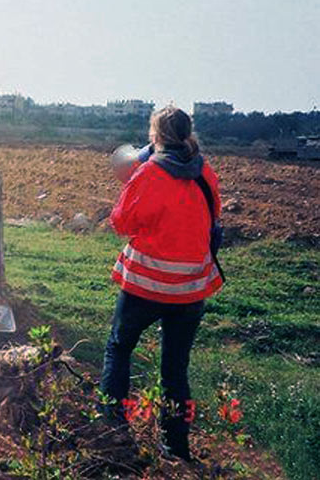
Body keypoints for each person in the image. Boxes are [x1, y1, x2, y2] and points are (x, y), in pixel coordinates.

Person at [100, 106, 223, 461]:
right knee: (174, 368)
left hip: (146, 285)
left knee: (119, 349)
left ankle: (112, 431)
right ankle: (176, 448)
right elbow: (213, 217)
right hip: (190, 288)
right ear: (187, 134)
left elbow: (121, 222)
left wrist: (131, 181)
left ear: (155, 136)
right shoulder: (204, 172)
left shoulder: (149, 172)